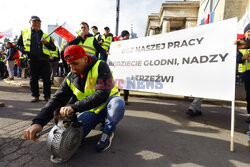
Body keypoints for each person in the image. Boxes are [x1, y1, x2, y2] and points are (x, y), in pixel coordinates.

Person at [23, 45, 125, 152]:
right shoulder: (71, 77)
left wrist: (74, 107)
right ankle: (99, 121)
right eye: (70, 64)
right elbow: (56, 100)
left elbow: (102, 94)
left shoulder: (101, 66)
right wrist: (38, 122)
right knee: (73, 137)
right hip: (92, 110)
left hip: (108, 104)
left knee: (118, 104)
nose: (72, 68)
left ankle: (108, 131)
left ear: (85, 59)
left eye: (75, 63)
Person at [16, 16, 56, 102]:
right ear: (30, 22)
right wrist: (25, 51)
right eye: (34, 22)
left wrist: (46, 43)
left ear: (41, 24)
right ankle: (35, 96)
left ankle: (47, 96)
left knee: (47, 79)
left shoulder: (46, 35)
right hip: (32, 60)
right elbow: (18, 44)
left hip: (45, 60)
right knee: (33, 79)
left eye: (38, 22)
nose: (37, 24)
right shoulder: (25, 33)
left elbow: (53, 48)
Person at [236, 23, 250, 123]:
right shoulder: (240, 44)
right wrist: (242, 58)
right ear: (245, 33)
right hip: (246, 75)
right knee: (249, 95)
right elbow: (236, 59)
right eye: (248, 31)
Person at [120, 30, 130, 105]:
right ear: (124, 36)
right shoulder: (124, 43)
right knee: (124, 84)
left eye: (128, 35)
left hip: (124, 67)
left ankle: (124, 98)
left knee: (120, 83)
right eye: (127, 35)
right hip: (124, 67)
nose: (128, 36)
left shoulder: (118, 44)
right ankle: (125, 99)